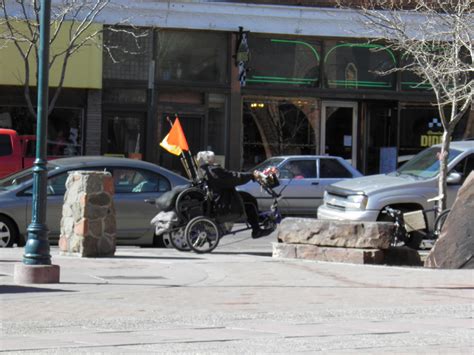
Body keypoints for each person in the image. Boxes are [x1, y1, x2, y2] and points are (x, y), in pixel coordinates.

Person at [196, 151, 273, 239]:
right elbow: (233, 177)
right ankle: (256, 230)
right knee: (250, 202)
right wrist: (251, 175)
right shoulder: (213, 170)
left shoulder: (203, 170)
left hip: (219, 197)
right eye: (212, 158)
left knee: (246, 197)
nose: (214, 160)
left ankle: (258, 221)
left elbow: (230, 176)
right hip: (223, 201)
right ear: (208, 159)